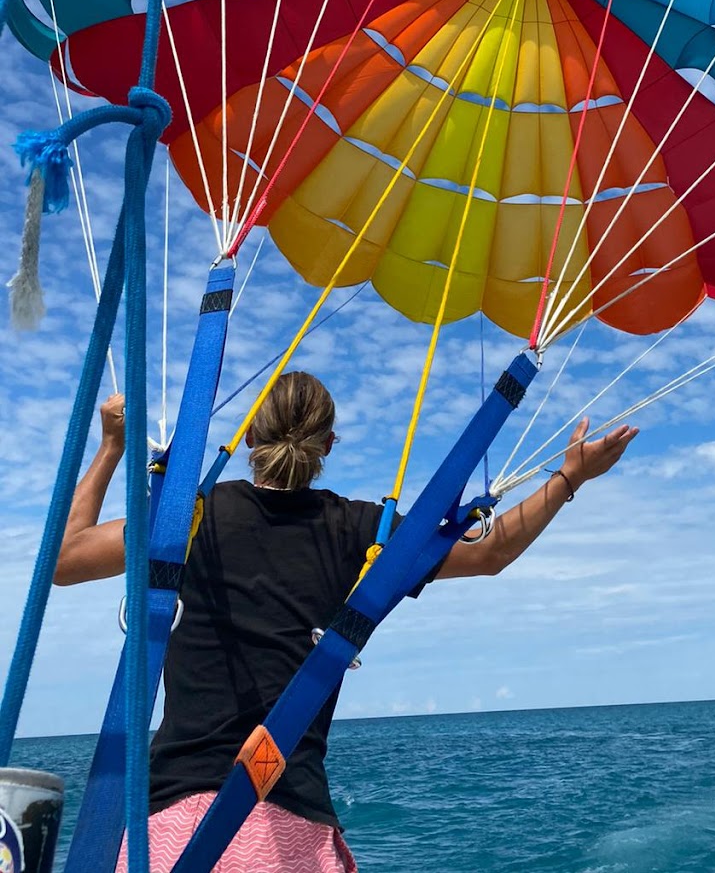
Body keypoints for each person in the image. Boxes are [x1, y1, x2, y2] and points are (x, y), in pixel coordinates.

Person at [55, 372, 638, 873]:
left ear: (253, 435)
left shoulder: (192, 516)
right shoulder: (358, 530)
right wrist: (569, 479)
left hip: (171, 824)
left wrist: (111, 447)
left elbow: (65, 560)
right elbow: (489, 554)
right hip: (290, 824)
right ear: (328, 444)